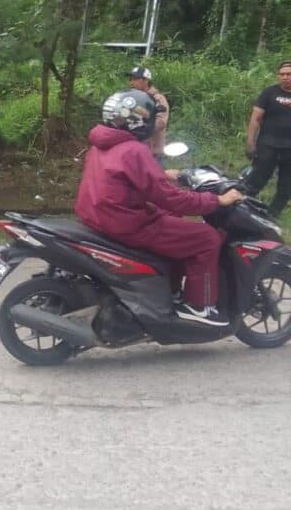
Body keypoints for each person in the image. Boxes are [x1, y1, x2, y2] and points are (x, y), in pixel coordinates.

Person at [76, 90, 244, 326]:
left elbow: (121, 178)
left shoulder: (102, 143)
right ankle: (198, 306)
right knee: (207, 238)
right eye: (147, 116)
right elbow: (171, 198)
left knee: (174, 219)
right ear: (137, 120)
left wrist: (162, 176)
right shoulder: (134, 150)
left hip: (101, 216)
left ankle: (171, 290)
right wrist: (216, 201)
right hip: (127, 223)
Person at [244, 60, 291, 217]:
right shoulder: (269, 93)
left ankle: (271, 216)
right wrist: (250, 142)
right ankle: (243, 210)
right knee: (255, 181)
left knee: (286, 187)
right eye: (282, 74)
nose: (285, 77)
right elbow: (255, 118)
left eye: (289, 74)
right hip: (267, 145)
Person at [128, 66, 169, 157]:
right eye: (130, 79)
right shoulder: (132, 98)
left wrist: (139, 127)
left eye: (135, 79)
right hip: (134, 149)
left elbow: (161, 122)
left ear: (146, 80)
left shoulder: (157, 98)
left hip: (153, 151)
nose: (131, 82)